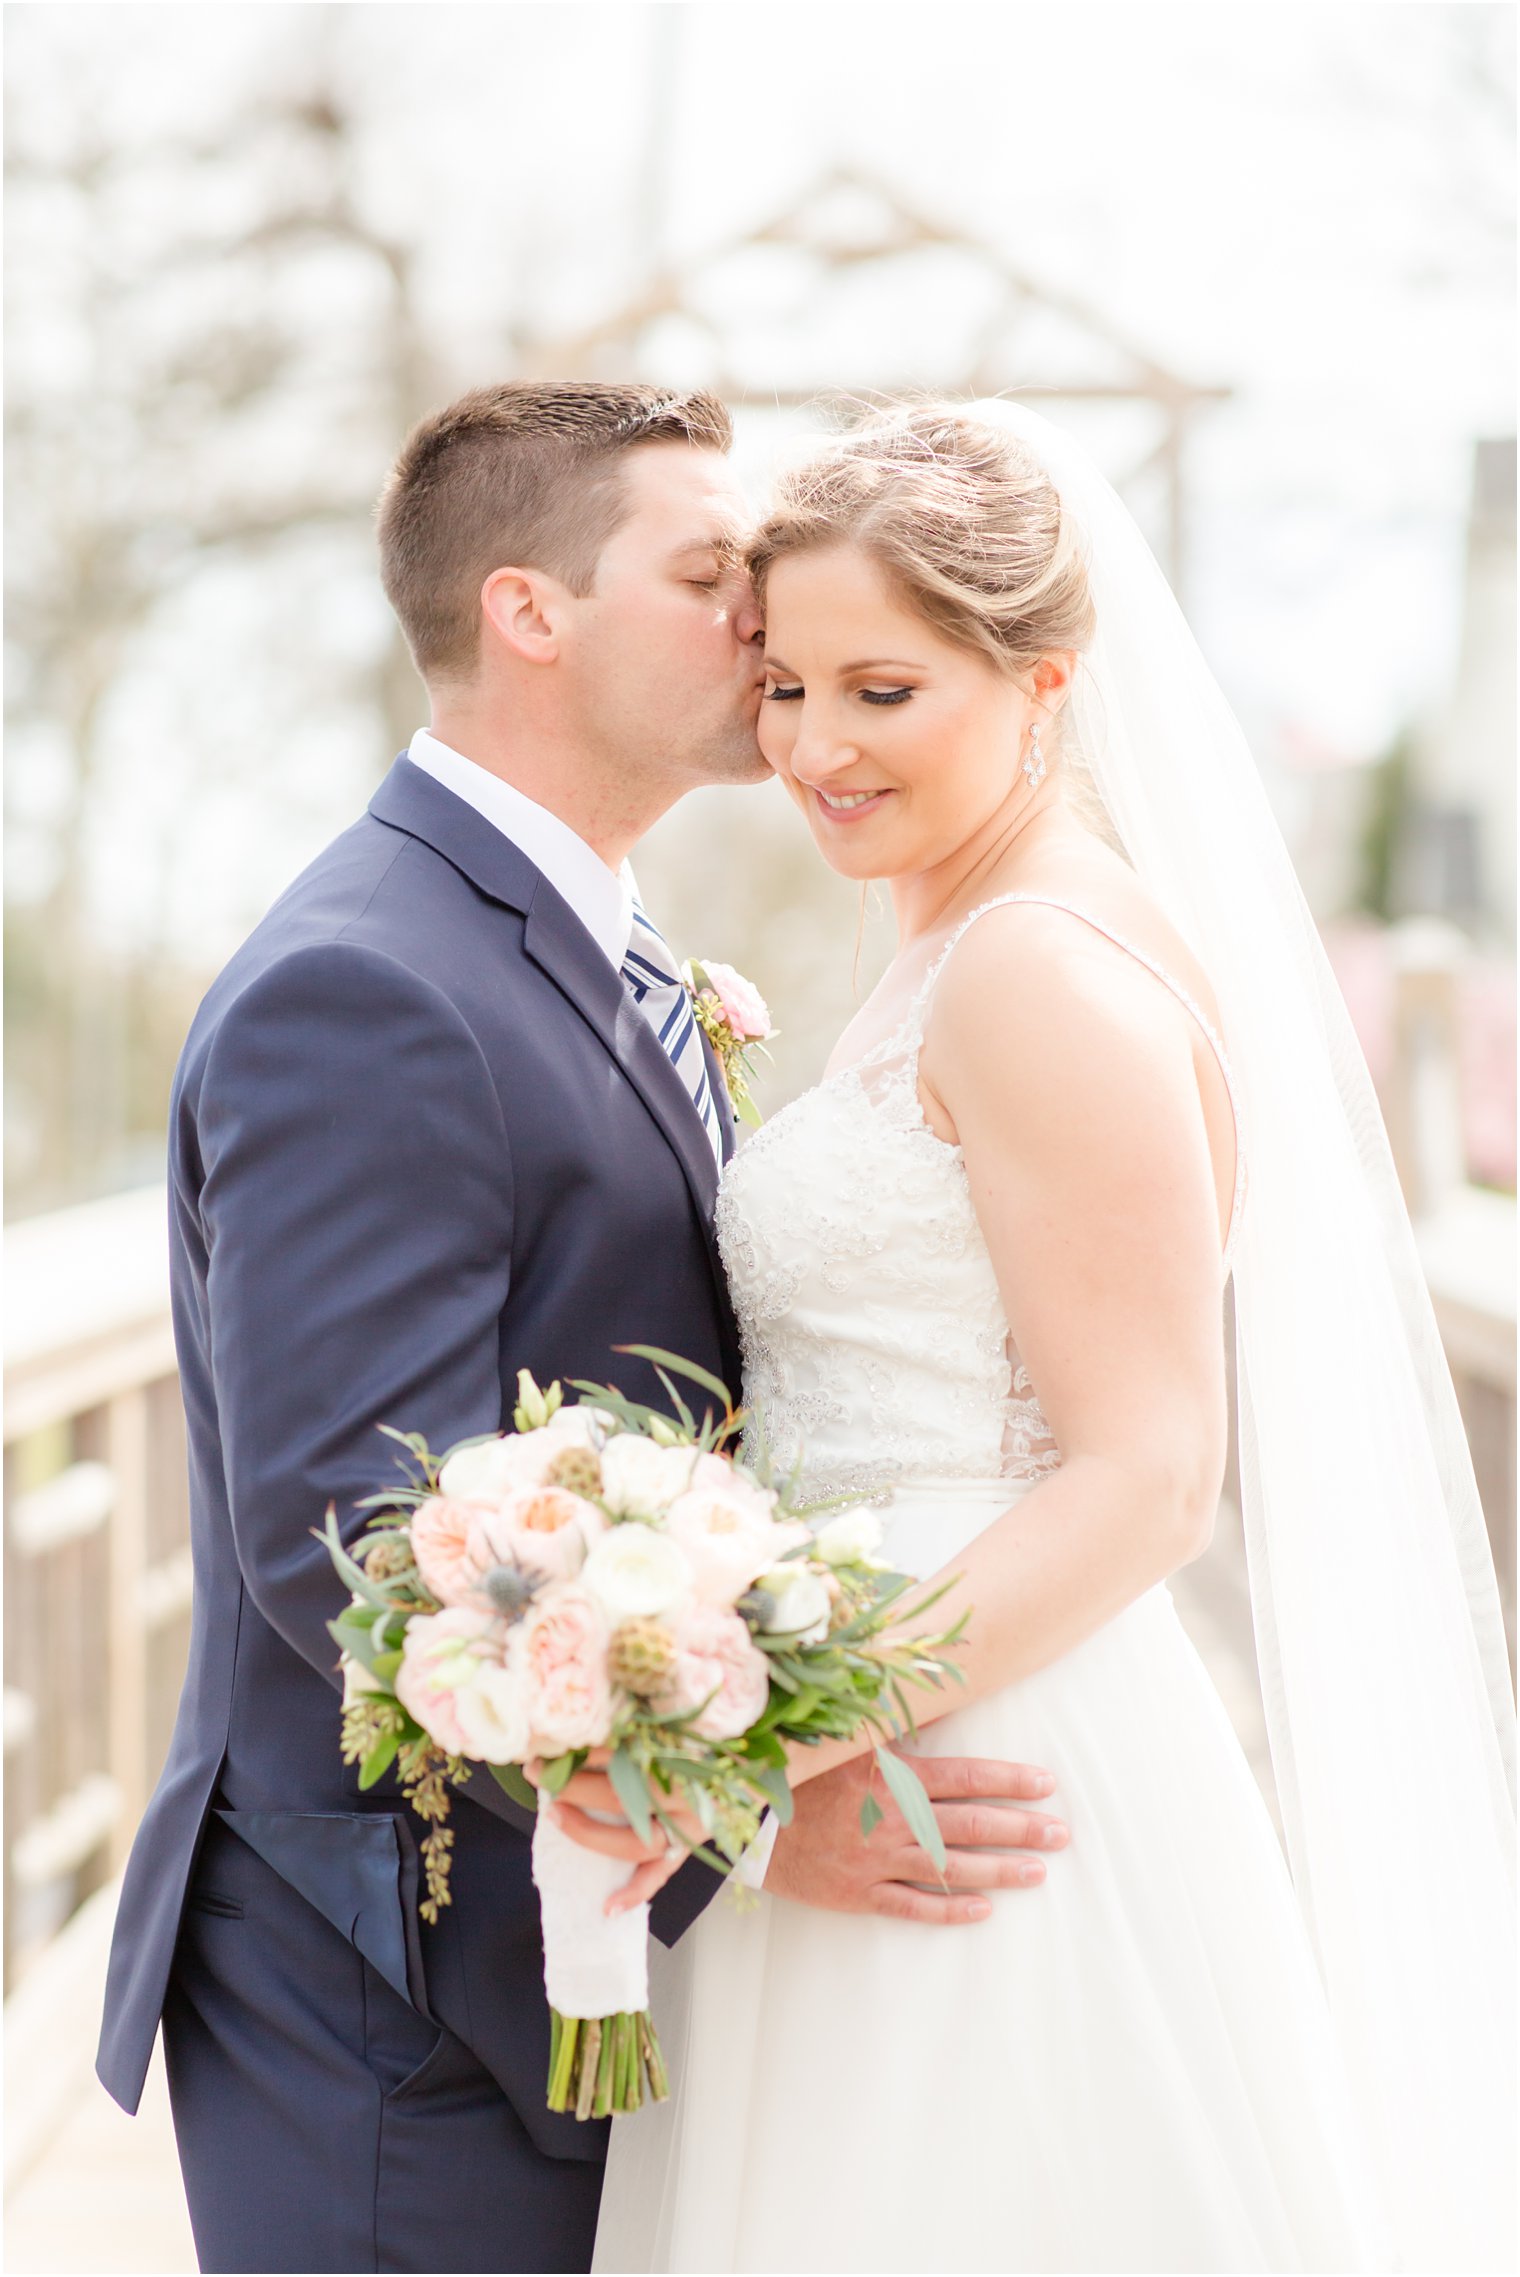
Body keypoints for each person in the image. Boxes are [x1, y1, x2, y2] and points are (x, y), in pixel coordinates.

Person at [94, 382, 1062, 2276]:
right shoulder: (370, 985)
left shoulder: (586, 940)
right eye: (712, 574)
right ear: (530, 612)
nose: (764, 625)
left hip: (564, 1940)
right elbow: (359, 1532)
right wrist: (750, 1813)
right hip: (400, 1981)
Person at [589, 402, 1517, 2274]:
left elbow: (1154, 1467)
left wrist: (764, 1738)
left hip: (967, 1748)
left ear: (1042, 682)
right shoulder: (952, 941)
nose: (815, 748)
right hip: (893, 1716)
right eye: (786, 690)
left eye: (883, 690)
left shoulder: (1033, 969)